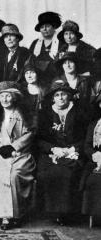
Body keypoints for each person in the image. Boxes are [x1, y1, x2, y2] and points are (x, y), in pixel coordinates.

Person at [0, 81, 35, 230]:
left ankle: (16, 214)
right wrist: (0, 148)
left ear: (14, 97)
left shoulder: (23, 114)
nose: (5, 99)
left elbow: (29, 134)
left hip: (20, 154)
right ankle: (3, 215)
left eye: (8, 96)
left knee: (14, 175)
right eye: (2, 96)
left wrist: (13, 147)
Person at [36, 80, 87, 225]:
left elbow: (85, 136)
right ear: (53, 98)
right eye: (57, 95)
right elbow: (38, 139)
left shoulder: (79, 113)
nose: (60, 98)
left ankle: (67, 214)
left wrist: (72, 149)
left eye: (63, 94)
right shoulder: (44, 113)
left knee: (68, 173)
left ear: (69, 96)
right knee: (47, 173)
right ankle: (53, 213)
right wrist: (53, 149)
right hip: (51, 153)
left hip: (73, 152)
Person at [30, 12, 64, 87]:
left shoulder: (61, 42)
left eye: (47, 26)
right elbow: (30, 62)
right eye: (42, 27)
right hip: (38, 79)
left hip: (57, 79)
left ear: (54, 27)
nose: (44, 29)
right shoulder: (35, 43)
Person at [81, 94, 101, 221]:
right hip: (97, 161)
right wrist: (95, 155)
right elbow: (87, 146)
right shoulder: (94, 125)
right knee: (93, 180)